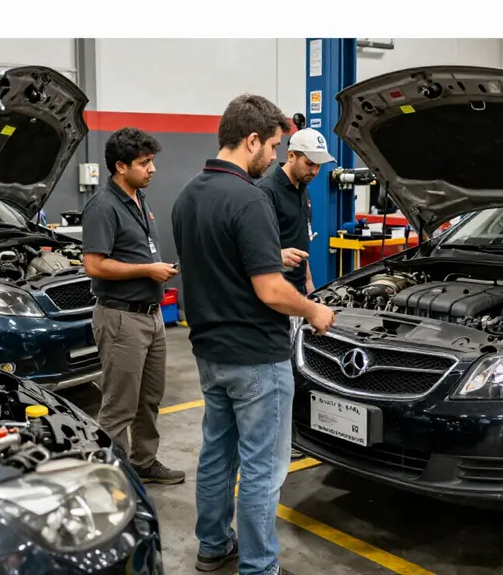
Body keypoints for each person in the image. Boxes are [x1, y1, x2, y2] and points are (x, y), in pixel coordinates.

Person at [172, 94, 336, 575]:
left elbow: (213, 269)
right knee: (264, 469)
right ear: (251, 141)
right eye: (273, 145)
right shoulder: (249, 199)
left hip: (209, 352)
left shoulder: (187, 196)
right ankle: (260, 566)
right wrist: (313, 311)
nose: (274, 155)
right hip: (257, 359)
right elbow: (269, 290)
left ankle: (212, 546)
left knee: (217, 455)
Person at [82, 127, 185, 486]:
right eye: (145, 163)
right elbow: (94, 265)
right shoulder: (103, 206)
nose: (152, 169)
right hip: (121, 317)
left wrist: (158, 270)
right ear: (120, 166)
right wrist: (147, 270)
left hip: (151, 315)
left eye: (152, 161)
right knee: (119, 404)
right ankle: (110, 473)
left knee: (149, 398)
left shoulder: (140, 199)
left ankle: (143, 460)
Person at [259, 127, 336, 298]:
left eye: (319, 165)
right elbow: (255, 249)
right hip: (275, 291)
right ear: (291, 156)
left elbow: (300, 239)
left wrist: (308, 282)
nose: (315, 171)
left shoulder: (303, 190)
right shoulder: (266, 192)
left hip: (299, 289)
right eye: (309, 163)